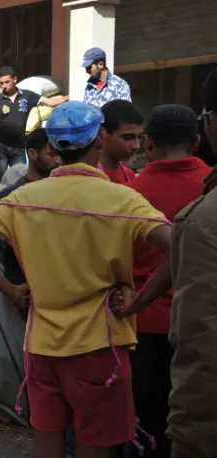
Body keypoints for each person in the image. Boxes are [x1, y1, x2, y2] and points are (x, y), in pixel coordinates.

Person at [0, 101, 172, 458]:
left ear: (53, 146)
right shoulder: (123, 199)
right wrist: (139, 300)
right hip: (99, 345)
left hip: (42, 346)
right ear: (99, 140)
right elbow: (179, 245)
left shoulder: (23, 199)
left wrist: (11, 289)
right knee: (93, 447)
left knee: (47, 444)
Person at [116, 69, 217, 458]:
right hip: (203, 332)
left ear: (149, 143)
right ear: (197, 140)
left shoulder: (129, 196)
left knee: (149, 428)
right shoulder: (208, 189)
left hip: (145, 331)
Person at [0, 128, 60, 286]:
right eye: (51, 154)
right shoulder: (10, 195)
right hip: (23, 285)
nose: (58, 161)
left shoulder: (64, 193)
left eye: (60, 155)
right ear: (32, 154)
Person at [0, 66, 68, 182]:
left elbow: (50, 102)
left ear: (15, 79)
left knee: (20, 178)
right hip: (0, 147)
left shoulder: (27, 96)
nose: (4, 86)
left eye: (7, 82)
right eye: (1, 83)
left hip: (19, 146)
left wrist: (70, 96)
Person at [100, 100, 142, 184]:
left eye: (140, 137)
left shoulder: (130, 175)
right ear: (103, 134)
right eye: (128, 138)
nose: (137, 146)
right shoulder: (87, 175)